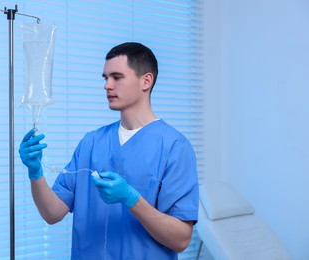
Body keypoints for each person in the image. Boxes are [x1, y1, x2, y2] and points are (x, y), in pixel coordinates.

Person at [19, 42, 199, 259]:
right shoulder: (92, 142)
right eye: (105, 78)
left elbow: (181, 239)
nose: (107, 85)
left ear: (146, 80)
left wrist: (132, 199)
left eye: (117, 77)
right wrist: (35, 173)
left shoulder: (174, 147)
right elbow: (52, 213)